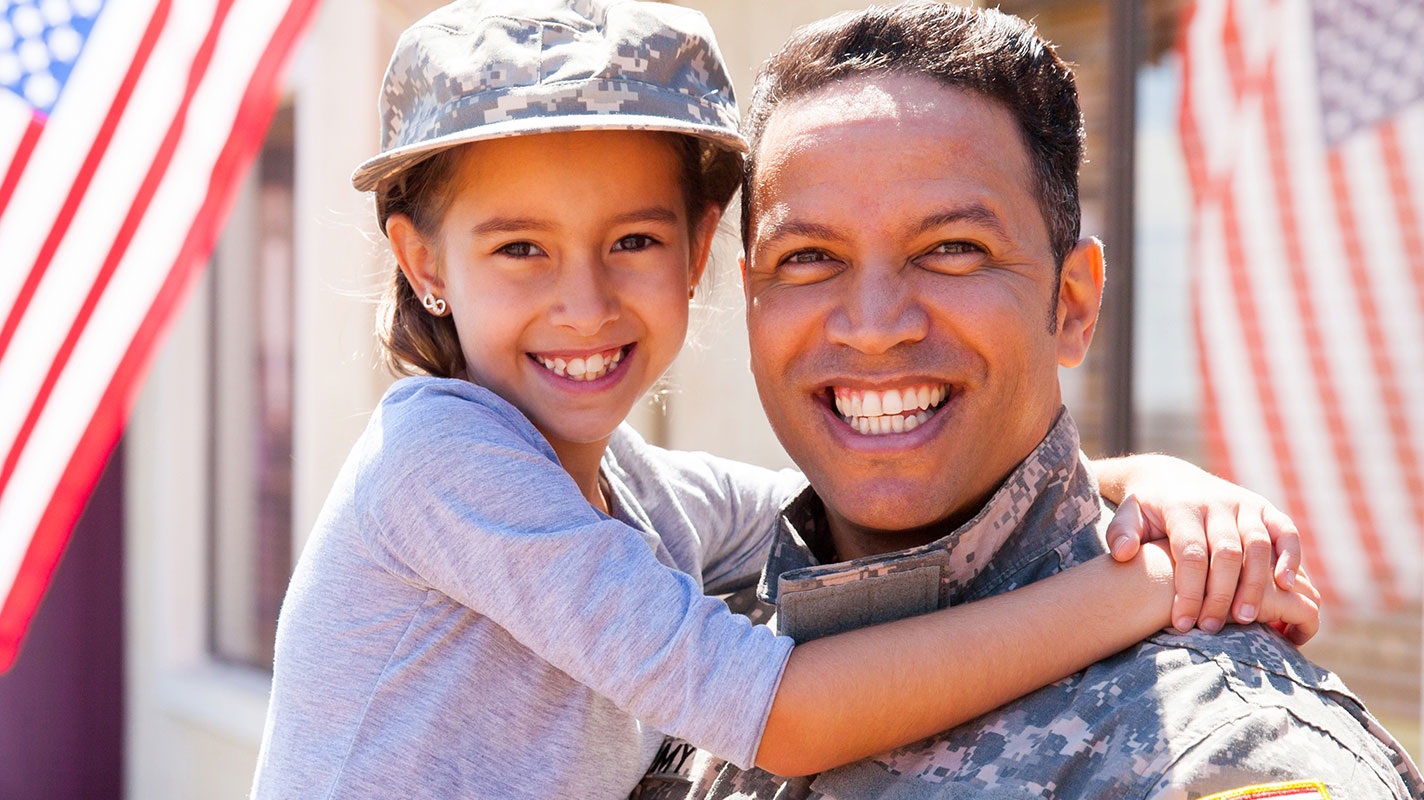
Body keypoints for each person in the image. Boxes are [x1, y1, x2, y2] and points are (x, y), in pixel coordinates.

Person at [249, 2, 1320, 798]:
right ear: (420, 260)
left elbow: (812, 494)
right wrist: (1137, 590)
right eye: (518, 247)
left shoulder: (632, 496)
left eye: (631, 241)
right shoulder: (439, 457)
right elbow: (784, 714)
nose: (582, 300)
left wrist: (1151, 482)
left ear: (697, 253)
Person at [648, 4, 1424, 799]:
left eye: (953, 249)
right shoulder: (673, 664)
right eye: (809, 257)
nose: (875, 327)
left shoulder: (1217, 751)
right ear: (749, 304)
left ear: (1074, 303)